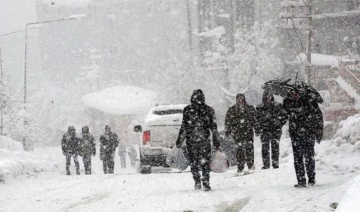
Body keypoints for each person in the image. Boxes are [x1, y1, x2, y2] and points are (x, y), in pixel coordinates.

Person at [176, 89, 220, 191]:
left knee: (194, 162)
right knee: (205, 163)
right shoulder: (209, 110)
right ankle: (205, 181)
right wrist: (216, 140)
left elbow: (184, 127)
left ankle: (197, 181)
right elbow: (213, 127)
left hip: (192, 140)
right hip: (204, 140)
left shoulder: (188, 110)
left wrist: (180, 140)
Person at [283, 89, 323, 188]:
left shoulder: (310, 102)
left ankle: (311, 179)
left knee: (309, 158)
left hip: (308, 134)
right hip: (295, 135)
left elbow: (318, 116)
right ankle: (301, 180)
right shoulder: (289, 103)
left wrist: (318, 132)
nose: (294, 95)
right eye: (292, 94)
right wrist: (286, 103)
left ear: (300, 93)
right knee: (298, 159)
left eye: (295, 93)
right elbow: (283, 114)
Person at [225, 93, 257, 173]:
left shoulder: (250, 109)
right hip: (237, 133)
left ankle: (250, 165)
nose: (240, 101)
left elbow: (255, 120)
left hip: (248, 132)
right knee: (239, 150)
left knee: (249, 149)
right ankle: (240, 166)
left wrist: (257, 129)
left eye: (241, 99)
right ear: (236, 100)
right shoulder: (232, 110)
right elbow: (228, 121)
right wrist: (228, 131)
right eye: (238, 99)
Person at [256, 91, 288, 169]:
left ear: (271, 98)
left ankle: (275, 163)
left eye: (268, 98)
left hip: (275, 130)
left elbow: (285, 116)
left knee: (275, 148)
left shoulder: (278, 106)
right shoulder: (259, 107)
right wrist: (259, 127)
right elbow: (256, 119)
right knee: (265, 148)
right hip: (264, 131)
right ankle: (266, 164)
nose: (267, 100)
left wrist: (279, 123)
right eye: (265, 98)